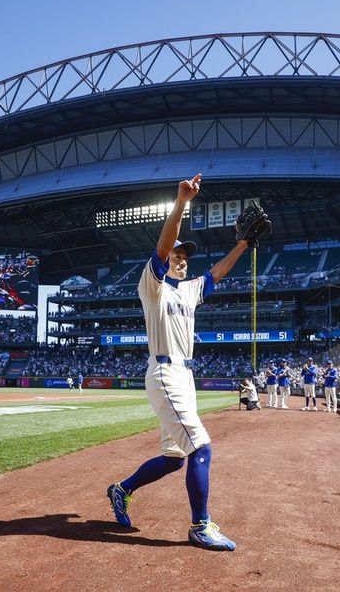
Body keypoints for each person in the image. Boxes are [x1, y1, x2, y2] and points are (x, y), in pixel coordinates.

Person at [107, 173, 259, 551]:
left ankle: (121, 489)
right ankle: (200, 526)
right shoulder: (152, 285)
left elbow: (217, 274)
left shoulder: (190, 290)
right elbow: (160, 249)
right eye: (177, 254)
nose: (182, 259)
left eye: (185, 255)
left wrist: (241, 245)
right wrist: (182, 202)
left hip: (184, 377)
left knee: (175, 458)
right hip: (164, 373)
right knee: (202, 449)